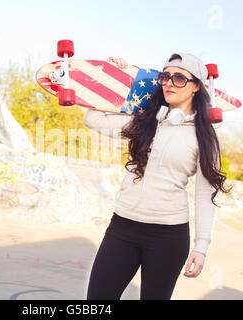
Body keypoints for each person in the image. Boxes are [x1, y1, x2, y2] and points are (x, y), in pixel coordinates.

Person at [84, 53, 232, 300]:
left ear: (196, 86)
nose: (169, 83)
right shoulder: (144, 121)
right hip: (123, 227)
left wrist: (201, 245)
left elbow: (205, 195)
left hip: (168, 237)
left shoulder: (205, 137)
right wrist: (122, 82)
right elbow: (93, 119)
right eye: (165, 76)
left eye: (179, 78)